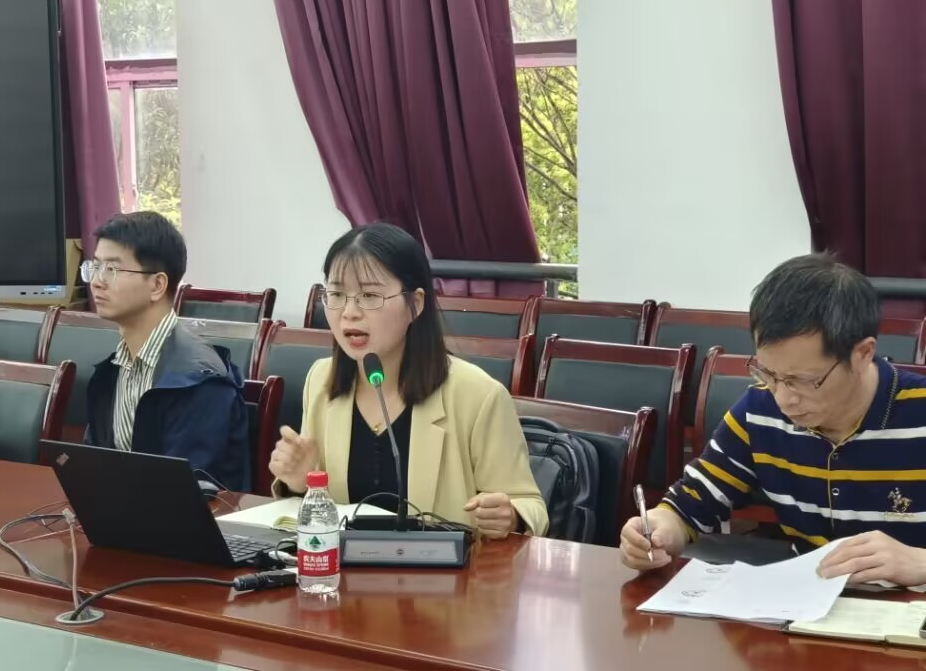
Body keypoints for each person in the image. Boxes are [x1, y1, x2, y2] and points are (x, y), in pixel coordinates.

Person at [620, 253, 926, 586]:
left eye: (803, 380)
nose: (784, 398)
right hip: (807, 601)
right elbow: (690, 503)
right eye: (768, 373)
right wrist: (658, 529)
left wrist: (919, 561)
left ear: (863, 354)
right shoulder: (759, 408)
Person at [268, 222, 548, 539]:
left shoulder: (478, 395)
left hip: (447, 569)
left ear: (415, 303)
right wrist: (300, 482)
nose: (349, 312)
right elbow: (320, 519)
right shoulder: (321, 379)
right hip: (346, 567)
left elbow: (530, 505)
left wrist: (511, 516)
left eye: (369, 295)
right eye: (336, 295)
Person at [82, 212, 251, 491]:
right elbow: (95, 464)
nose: (97, 281)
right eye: (95, 267)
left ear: (157, 285)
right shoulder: (110, 371)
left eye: (111, 269)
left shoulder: (199, 381)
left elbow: (185, 489)